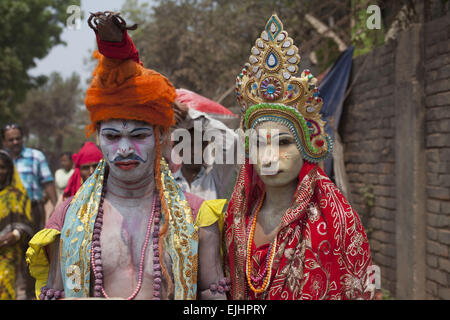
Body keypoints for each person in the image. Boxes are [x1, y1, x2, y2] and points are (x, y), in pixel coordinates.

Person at [26, 11, 227, 300]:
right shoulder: (68, 217)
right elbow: (56, 293)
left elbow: (213, 296)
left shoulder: (198, 215)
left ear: (161, 137)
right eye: (111, 136)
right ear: (98, 137)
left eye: (138, 135)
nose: (123, 150)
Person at [223, 14, 374, 300]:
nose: (269, 157)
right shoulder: (237, 217)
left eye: (283, 143)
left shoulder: (336, 219)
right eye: (258, 144)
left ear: (307, 146)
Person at [171, 98, 238, 201]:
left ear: (206, 146)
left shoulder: (216, 179)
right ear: (178, 149)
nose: (195, 151)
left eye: (200, 145)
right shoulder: (167, 183)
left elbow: (232, 140)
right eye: (189, 145)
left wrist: (191, 116)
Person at [1, 123, 57, 232]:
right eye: (11, 140)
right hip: (6, 212)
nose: (15, 142)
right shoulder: (2, 159)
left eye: (18, 138)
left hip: (33, 210)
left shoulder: (36, 156)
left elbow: (48, 183)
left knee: (34, 245)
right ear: (4, 142)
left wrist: (56, 207)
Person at [0, 150, 33, 300]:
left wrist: (15, 234)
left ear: (9, 170)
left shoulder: (17, 194)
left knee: (4, 287)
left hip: (8, 251)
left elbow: (26, 223)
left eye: (3, 167)